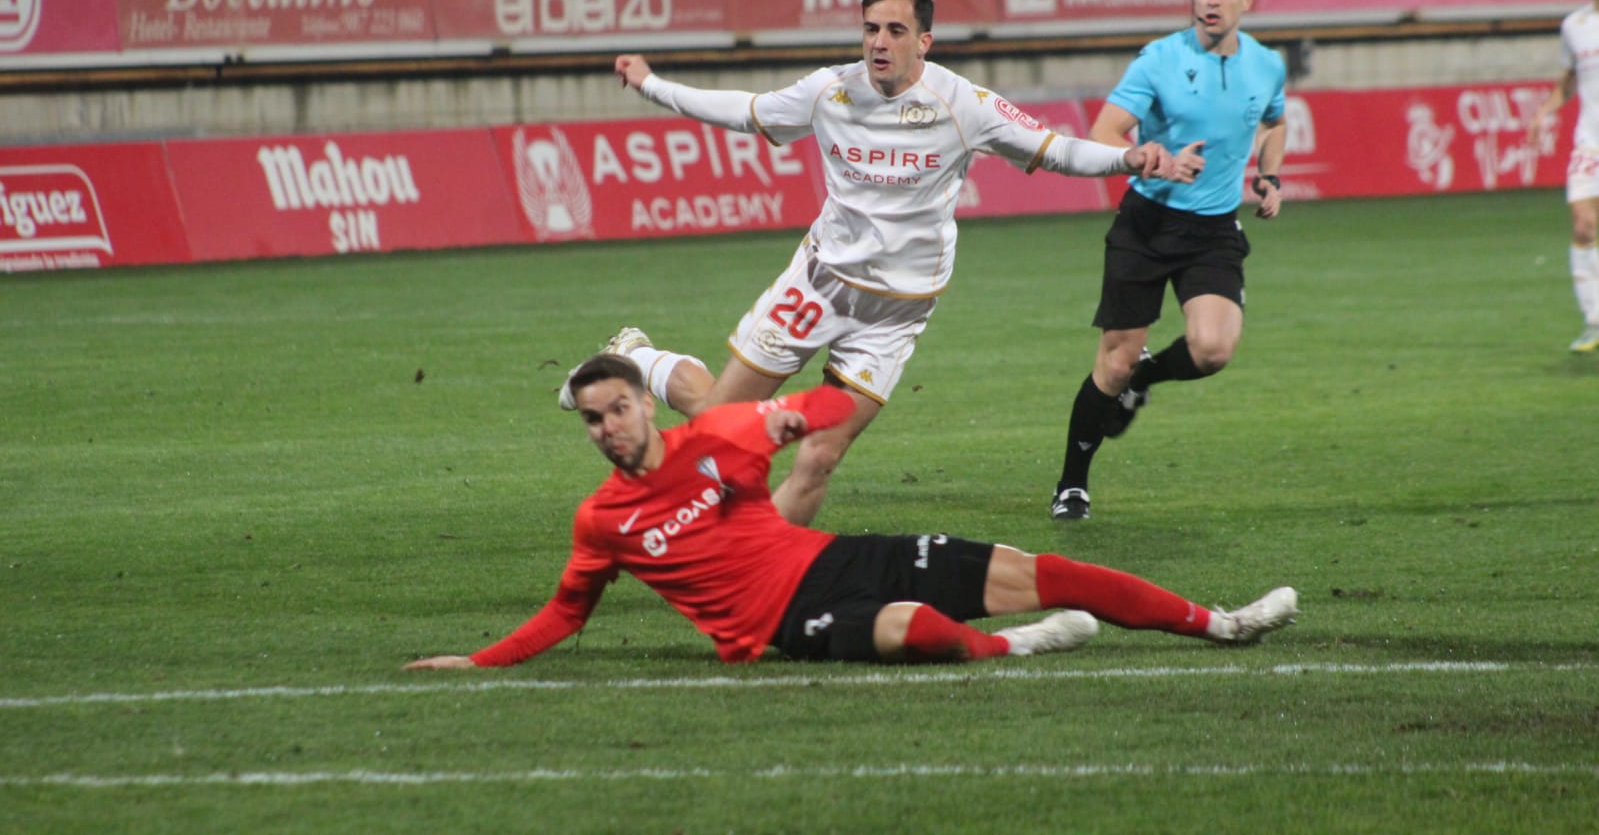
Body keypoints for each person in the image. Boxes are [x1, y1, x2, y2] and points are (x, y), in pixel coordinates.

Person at [562, 0, 1197, 528]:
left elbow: (1055, 149)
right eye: (870, 29)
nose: (878, 43)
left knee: (820, 456)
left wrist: (1126, 157)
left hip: (895, 315)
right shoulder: (830, 91)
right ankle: (639, 357)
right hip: (818, 287)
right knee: (716, 422)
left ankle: (765, 567)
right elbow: (743, 111)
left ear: (924, 41)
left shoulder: (964, 104)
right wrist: (652, 85)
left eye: (895, 30)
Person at [406, 354, 1299, 670]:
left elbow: (838, 405)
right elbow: (568, 612)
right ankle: (1014, 644)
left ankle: (1220, 624)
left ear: (645, 405)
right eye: (593, 418)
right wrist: (478, 660)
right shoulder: (601, 521)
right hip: (780, 623)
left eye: (618, 410)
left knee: (1039, 570)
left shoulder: (716, 435)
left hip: (829, 560)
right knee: (919, 629)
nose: (607, 427)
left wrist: (802, 415)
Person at [1051, 0, 1288, 521]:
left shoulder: (1266, 64)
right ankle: (1071, 483)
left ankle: (1147, 376)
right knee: (1111, 365)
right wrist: (1149, 157)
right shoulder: (1158, 60)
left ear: (1246, 0)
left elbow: (1276, 120)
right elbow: (1105, 130)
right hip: (1148, 225)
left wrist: (1270, 175)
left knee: (1213, 350)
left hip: (1212, 231)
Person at [1524, 0, 1599, 353]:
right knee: (1583, 225)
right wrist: (1544, 111)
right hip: (1590, 144)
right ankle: (1594, 319)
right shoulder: (1575, 26)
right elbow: (1570, 79)